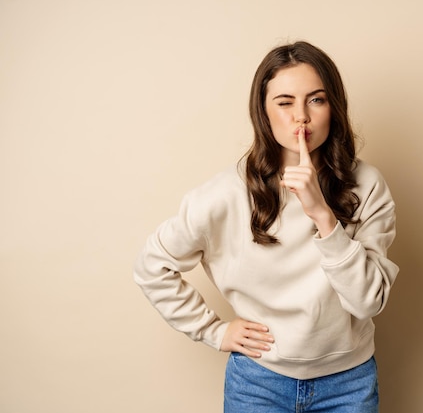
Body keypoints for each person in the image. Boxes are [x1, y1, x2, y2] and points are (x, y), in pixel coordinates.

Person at [133, 40, 399, 413]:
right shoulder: (226, 193)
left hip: (348, 383)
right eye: (285, 102)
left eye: (316, 100)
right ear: (264, 111)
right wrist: (214, 331)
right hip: (258, 383)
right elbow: (152, 266)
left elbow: (367, 301)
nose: (301, 117)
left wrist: (322, 214)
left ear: (334, 108)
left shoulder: (367, 185)